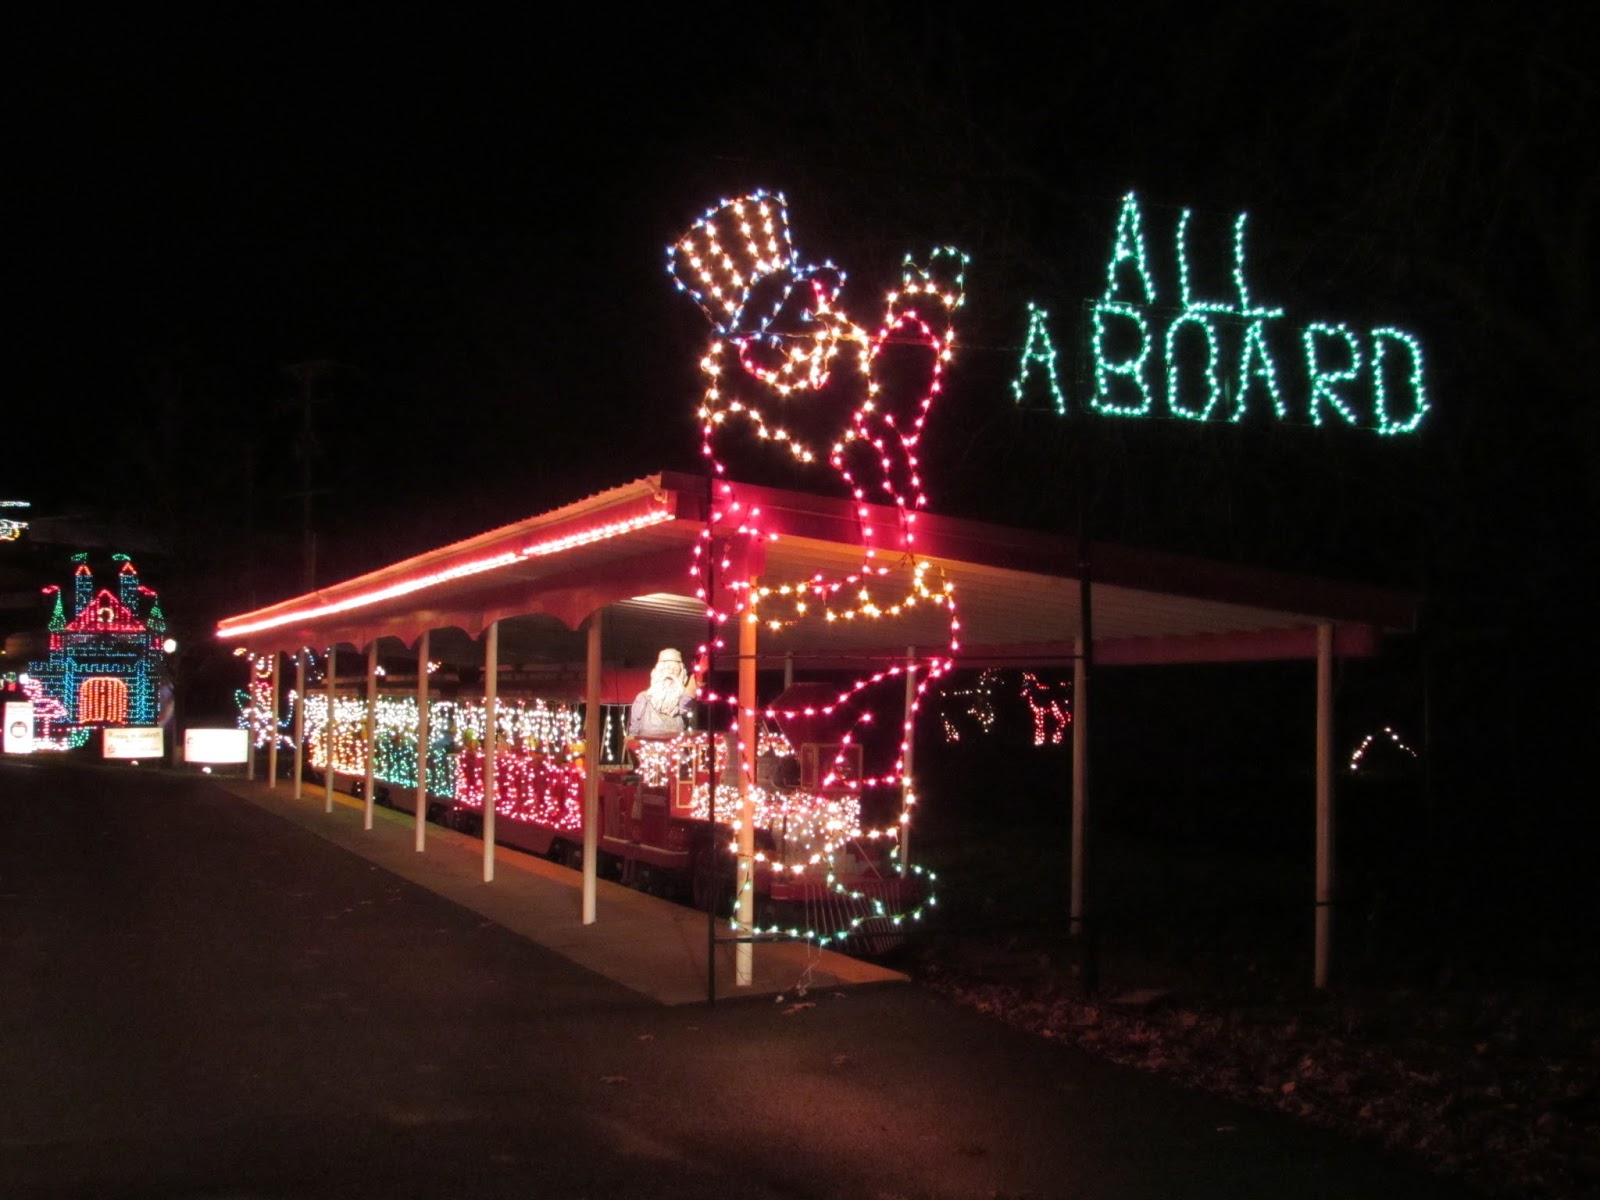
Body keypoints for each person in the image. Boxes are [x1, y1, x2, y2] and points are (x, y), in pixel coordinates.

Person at [627, 648, 699, 738]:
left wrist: (697, 677)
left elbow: (688, 700)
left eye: (675, 669)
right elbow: (634, 728)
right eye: (665, 668)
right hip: (648, 746)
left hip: (674, 745)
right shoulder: (643, 698)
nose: (670, 672)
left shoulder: (679, 701)